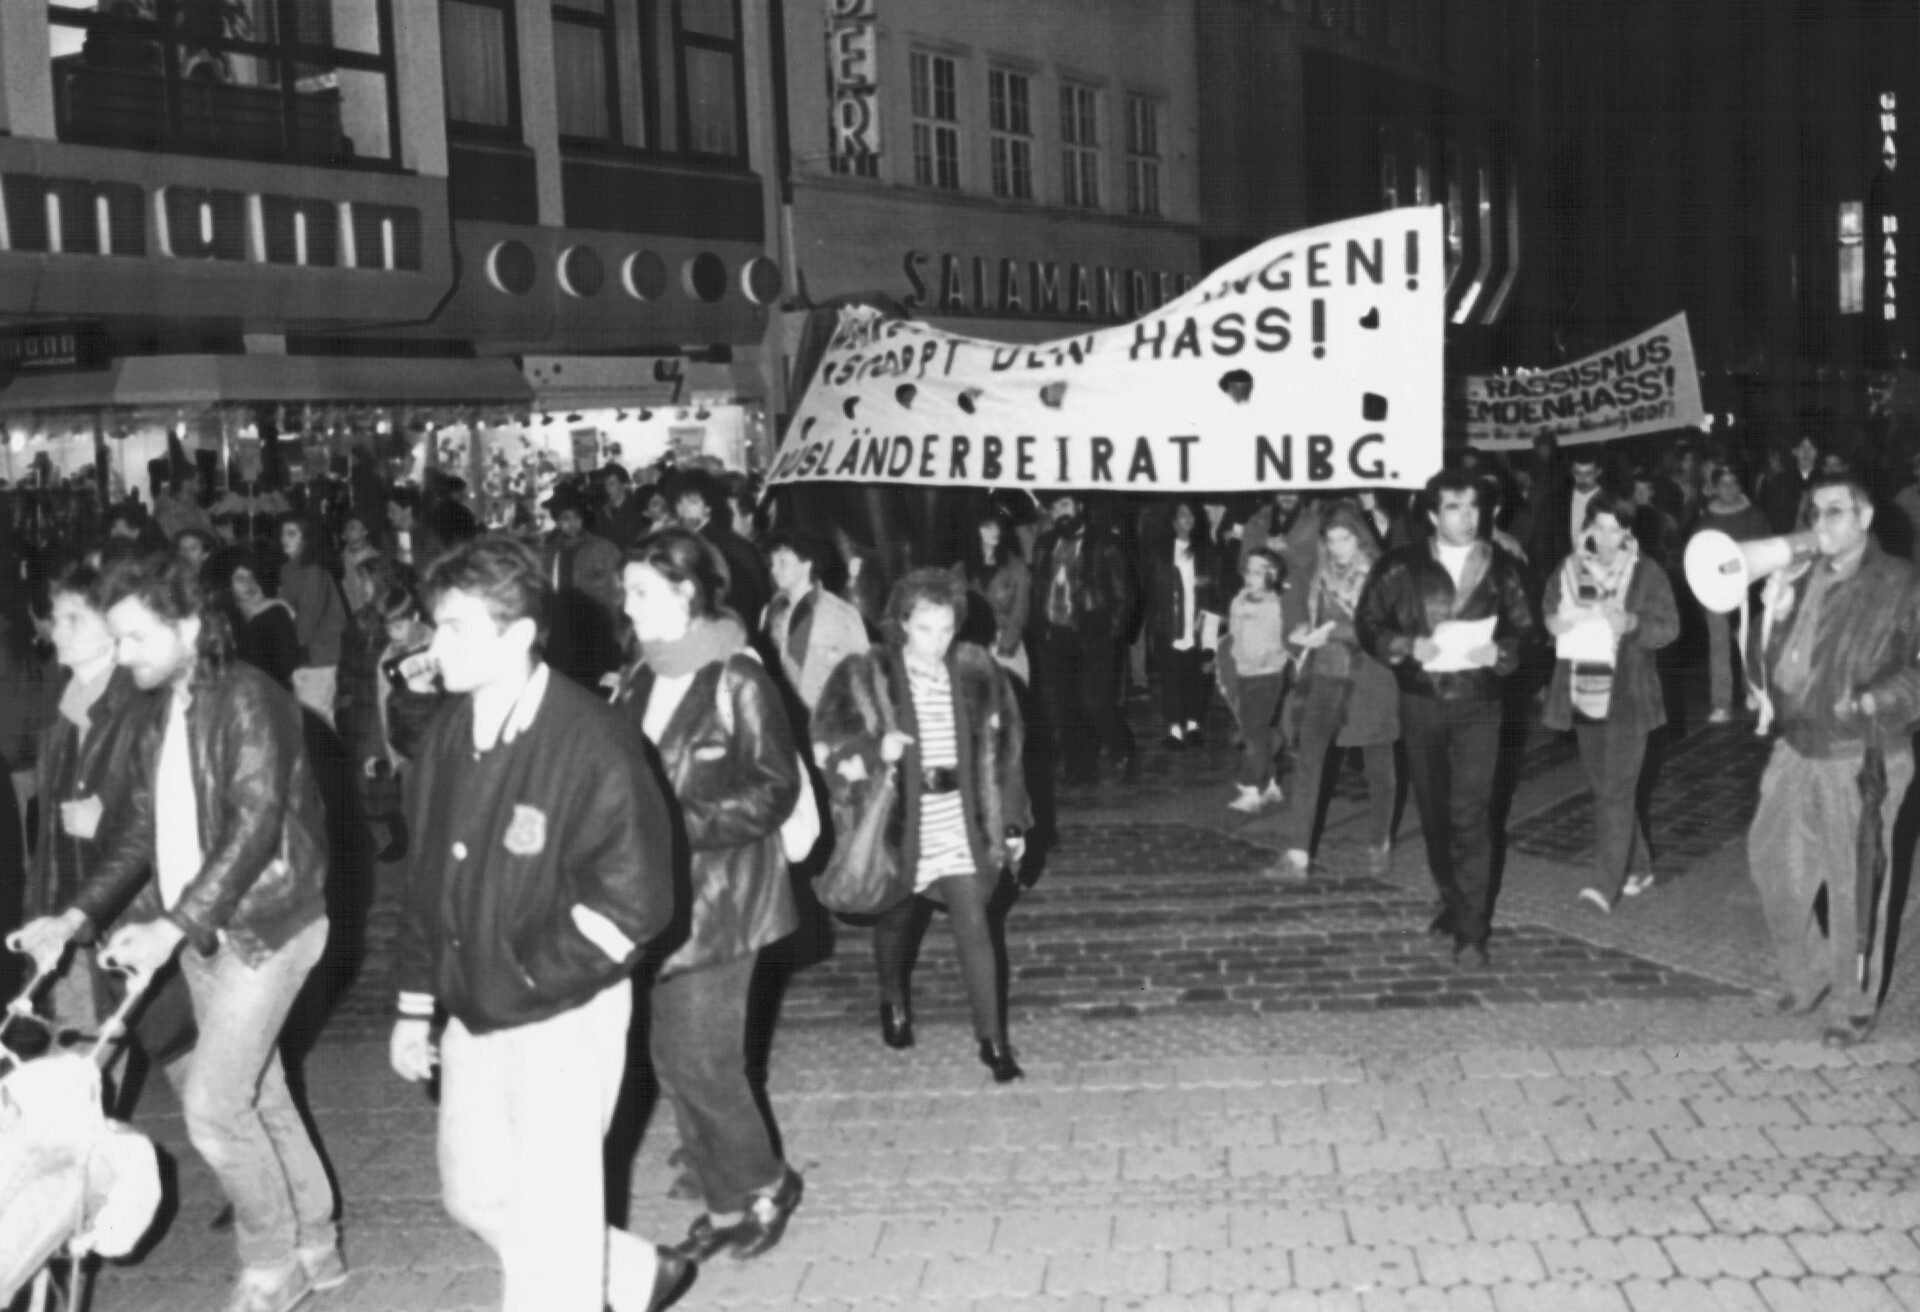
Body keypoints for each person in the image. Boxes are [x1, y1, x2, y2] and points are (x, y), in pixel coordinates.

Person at [10, 553, 341, 1312]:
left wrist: (170, 928)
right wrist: (76, 916)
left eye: (134, 638)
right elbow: (138, 832)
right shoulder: (169, 706)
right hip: (206, 934)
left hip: (268, 924)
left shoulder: (251, 701)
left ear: (188, 626)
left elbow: (254, 828)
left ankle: (270, 1263)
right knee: (262, 1095)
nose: (123, 655)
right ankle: (318, 1244)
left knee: (214, 1108)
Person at [388, 535, 687, 1312]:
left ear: (518, 635)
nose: (433, 645)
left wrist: (528, 973)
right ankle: (626, 1274)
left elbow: (634, 903)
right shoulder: (447, 737)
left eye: (455, 627)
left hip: (564, 1008)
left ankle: (576, 1285)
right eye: (434, 625)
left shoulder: (593, 739)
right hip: (473, 1008)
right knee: (475, 1192)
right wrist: (416, 1003)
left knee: (551, 1232)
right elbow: (427, 883)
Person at [611, 527, 805, 1263]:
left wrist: (675, 823)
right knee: (671, 1058)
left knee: (705, 1061)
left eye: (641, 592)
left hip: (728, 903)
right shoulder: (638, 675)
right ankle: (726, 1203)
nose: (627, 607)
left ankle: (765, 1185)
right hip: (656, 904)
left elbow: (776, 789)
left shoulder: (737, 678)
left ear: (685, 593)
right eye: (627, 592)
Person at [813, 568, 1031, 1081]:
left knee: (974, 923)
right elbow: (826, 744)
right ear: (902, 623)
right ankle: (892, 1001)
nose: (936, 642)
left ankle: (993, 1043)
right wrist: (873, 750)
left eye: (946, 629)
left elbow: (1007, 755)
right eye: (925, 628)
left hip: (960, 821)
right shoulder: (866, 674)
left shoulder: (978, 671)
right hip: (897, 822)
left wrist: (1016, 823)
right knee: (896, 920)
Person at [1745, 474, 1920, 1049]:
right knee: (1773, 863)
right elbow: (1776, 663)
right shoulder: (1804, 576)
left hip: (1861, 752)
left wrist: (1872, 701)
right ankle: (1811, 971)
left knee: (1854, 885)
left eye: (1837, 512)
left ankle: (1852, 1003)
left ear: (1865, 519)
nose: (1822, 523)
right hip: (1798, 746)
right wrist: (1770, 620)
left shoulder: (1900, 582)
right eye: (1816, 512)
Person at [1355, 468, 1535, 966]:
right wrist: (1406, 644)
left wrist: (1501, 654)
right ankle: (1453, 900)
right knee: (1435, 812)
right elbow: (1368, 622)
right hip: (1422, 702)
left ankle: (1473, 932)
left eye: (1474, 507)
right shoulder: (1400, 567)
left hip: (1480, 704)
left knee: (1471, 813)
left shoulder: (1503, 567)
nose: (1466, 517)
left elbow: (1528, 630)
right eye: (1454, 508)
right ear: (1433, 515)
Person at [1540, 492, 1680, 912]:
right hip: (1585, 686)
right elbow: (1549, 612)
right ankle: (1638, 865)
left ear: (1628, 531)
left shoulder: (1646, 572)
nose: (1606, 538)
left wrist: (1633, 623)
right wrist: (1554, 622)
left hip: (1630, 695)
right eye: (1599, 527)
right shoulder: (1569, 570)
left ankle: (1604, 883)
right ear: (1587, 528)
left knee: (1617, 792)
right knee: (1606, 788)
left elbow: (1669, 627)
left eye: (1616, 529)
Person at [1271, 503, 1398, 881]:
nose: (1340, 548)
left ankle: (1379, 840)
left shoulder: (1381, 576)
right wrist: (1296, 631)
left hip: (1369, 679)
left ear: (1359, 538)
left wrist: (1334, 632)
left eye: (1346, 539)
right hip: (1324, 677)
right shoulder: (1316, 573)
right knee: (1309, 759)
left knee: (1379, 766)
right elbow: (1295, 610)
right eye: (1332, 540)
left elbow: (1384, 630)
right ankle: (1297, 854)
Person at [1029, 492, 1136, 785]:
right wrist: (1040, 629)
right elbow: (1038, 587)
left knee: (1096, 701)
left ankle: (1122, 753)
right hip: (1056, 635)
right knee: (1066, 705)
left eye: (1064, 505)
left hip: (1095, 635)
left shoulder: (1105, 544)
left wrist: (1112, 634)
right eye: (1053, 508)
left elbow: (1124, 596)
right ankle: (1079, 767)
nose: (1059, 513)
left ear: (1079, 507)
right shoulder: (1045, 544)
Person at [1695, 464, 1771, 722]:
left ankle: (1752, 691)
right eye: (1724, 484)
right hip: (1716, 589)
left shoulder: (1755, 516)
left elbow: (1765, 551)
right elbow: (1698, 556)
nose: (1730, 489)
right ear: (1714, 488)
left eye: (1734, 483)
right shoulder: (1706, 521)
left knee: (1749, 642)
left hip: (1749, 587)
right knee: (1719, 645)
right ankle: (1721, 704)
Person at [762, 530, 869, 714]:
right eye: (772, 563)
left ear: (807, 564)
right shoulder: (775, 614)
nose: (774, 570)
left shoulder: (839, 614)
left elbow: (863, 673)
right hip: (791, 719)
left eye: (782, 562)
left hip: (830, 717)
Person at [1216, 546, 1288, 812]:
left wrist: (1266, 660)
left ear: (1272, 574)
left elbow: (1279, 641)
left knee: (1254, 734)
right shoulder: (1238, 601)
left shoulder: (1275, 605)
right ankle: (1269, 783)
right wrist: (1233, 659)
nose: (1251, 576)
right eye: (1249, 570)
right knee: (1259, 730)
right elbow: (1234, 634)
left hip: (1267, 676)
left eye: (1259, 572)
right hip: (1244, 674)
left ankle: (1251, 787)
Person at [1143, 500, 1219, 749]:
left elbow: (1214, 596)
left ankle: (1194, 725)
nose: (1186, 518)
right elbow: (1151, 590)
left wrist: (1210, 637)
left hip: (1198, 624)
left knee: (1198, 677)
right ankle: (1175, 729)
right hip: (1169, 625)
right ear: (1173, 521)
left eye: (1191, 514)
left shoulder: (1207, 551)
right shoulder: (1158, 552)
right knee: (1172, 678)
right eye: (1181, 515)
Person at [540, 486, 624, 689]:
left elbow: (617, 595)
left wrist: (618, 637)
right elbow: (544, 594)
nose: (572, 524)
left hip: (597, 634)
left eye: (576, 517)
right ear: (558, 521)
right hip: (562, 635)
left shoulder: (604, 550)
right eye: (565, 519)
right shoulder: (549, 554)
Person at [669, 469, 771, 629]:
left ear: (708, 507)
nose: (684, 509)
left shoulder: (716, 544)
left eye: (692, 502)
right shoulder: (690, 541)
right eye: (679, 502)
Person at [952, 506, 1032, 687]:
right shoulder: (960, 570)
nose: (994, 532)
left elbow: (1021, 612)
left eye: (997, 527)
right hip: (970, 650)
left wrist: (1005, 648)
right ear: (974, 530)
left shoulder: (1017, 568)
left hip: (1005, 648)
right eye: (987, 526)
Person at [277, 517, 346, 725]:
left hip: (318, 656)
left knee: (317, 723)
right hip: (303, 657)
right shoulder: (290, 569)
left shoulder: (313, 570)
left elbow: (306, 623)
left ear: (307, 539)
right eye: (282, 534)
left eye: (291, 534)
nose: (283, 539)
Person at [224, 549, 301, 690]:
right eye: (240, 579)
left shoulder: (275, 611)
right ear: (228, 585)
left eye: (253, 577)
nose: (249, 584)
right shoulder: (227, 615)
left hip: (274, 693)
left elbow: (289, 664)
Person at [598, 464, 653, 552]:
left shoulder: (639, 509)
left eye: (612, 484)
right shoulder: (602, 513)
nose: (607, 488)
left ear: (624, 485)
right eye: (605, 484)